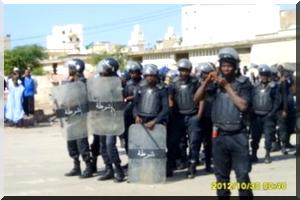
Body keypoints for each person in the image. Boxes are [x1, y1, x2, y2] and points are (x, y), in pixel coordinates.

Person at [194, 47, 253, 197]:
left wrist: (226, 86)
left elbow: (243, 105)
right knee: (221, 179)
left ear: (235, 67)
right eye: (223, 65)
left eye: (229, 65)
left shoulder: (244, 83)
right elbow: (196, 99)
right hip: (219, 136)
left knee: (242, 177)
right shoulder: (214, 85)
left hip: (238, 135)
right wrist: (206, 81)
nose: (226, 68)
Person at [132, 64, 169, 176]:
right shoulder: (140, 89)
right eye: (147, 75)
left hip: (155, 122)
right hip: (142, 120)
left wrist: (156, 121)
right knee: (142, 147)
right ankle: (142, 171)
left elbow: (166, 109)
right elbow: (135, 105)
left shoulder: (161, 90)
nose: (149, 78)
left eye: (151, 76)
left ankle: (159, 170)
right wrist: (136, 116)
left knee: (157, 147)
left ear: (156, 76)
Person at [168, 58, 202, 178]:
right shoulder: (174, 82)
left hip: (192, 115)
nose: (183, 73)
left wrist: (199, 115)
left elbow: (201, 97)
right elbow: (170, 98)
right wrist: (172, 113)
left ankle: (192, 165)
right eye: (181, 70)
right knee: (176, 142)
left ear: (189, 70)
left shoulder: (195, 82)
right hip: (178, 116)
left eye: (186, 70)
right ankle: (176, 163)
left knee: (194, 141)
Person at [61, 59, 94, 179]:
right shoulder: (70, 82)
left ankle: (89, 167)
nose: (68, 70)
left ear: (76, 69)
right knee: (71, 142)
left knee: (82, 143)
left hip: (81, 117)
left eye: (70, 68)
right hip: (71, 116)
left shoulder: (83, 83)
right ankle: (76, 166)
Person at [96, 58, 125, 182]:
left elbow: (119, 100)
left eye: (104, 68)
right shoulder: (99, 82)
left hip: (113, 117)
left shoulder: (117, 83)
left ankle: (118, 170)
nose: (101, 71)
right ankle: (109, 169)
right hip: (101, 116)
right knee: (102, 145)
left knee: (109, 144)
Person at [250, 64, 282, 164]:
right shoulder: (254, 86)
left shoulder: (273, 86)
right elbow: (250, 100)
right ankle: (254, 154)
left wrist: (272, 113)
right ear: (259, 75)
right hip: (256, 116)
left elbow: (277, 101)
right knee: (255, 137)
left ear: (269, 75)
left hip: (268, 116)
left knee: (268, 137)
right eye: (262, 74)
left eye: (266, 74)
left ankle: (267, 154)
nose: (264, 76)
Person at [194, 62, 216, 173]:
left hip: (212, 117)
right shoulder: (197, 84)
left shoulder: (216, 84)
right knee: (196, 141)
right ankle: (193, 163)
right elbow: (196, 98)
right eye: (206, 74)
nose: (208, 76)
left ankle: (208, 163)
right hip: (200, 116)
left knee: (210, 142)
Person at [122, 61, 143, 154]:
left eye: (135, 72)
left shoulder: (144, 83)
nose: (133, 74)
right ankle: (130, 158)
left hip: (140, 112)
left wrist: (134, 97)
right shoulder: (128, 84)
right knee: (127, 136)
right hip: (128, 112)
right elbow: (123, 97)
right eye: (132, 72)